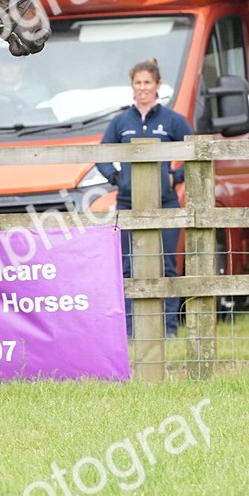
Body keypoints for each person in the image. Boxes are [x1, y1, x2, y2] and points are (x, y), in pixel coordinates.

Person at [97, 59, 191, 338]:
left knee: (167, 266)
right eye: (138, 83)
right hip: (128, 204)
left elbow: (195, 151)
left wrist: (176, 176)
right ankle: (129, 331)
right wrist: (117, 178)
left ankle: (169, 329)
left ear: (158, 85)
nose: (143, 88)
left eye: (147, 82)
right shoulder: (120, 122)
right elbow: (101, 155)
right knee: (127, 267)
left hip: (166, 204)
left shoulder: (172, 120)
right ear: (132, 87)